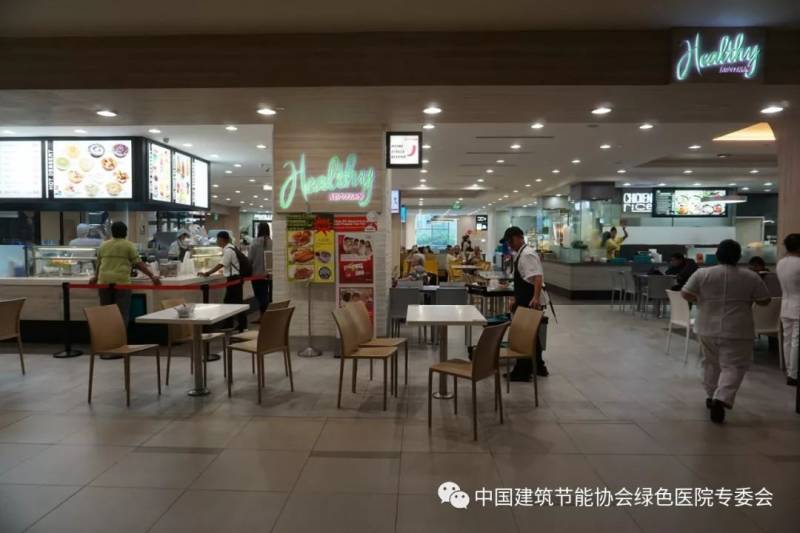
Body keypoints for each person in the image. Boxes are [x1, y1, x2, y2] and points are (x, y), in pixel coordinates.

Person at [682, 239, 770, 423]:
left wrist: (701, 300)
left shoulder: (703, 273)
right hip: (738, 328)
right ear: (739, 256)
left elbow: (686, 293)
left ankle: (711, 394)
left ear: (717, 255)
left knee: (710, 362)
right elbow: (764, 300)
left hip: (706, 326)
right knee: (734, 365)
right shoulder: (750, 276)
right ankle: (722, 398)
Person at [91, 221, 161, 326]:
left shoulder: (103, 245)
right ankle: (120, 335)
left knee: (106, 312)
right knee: (121, 313)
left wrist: (95, 277)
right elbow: (138, 264)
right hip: (121, 283)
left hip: (104, 282)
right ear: (125, 232)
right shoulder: (128, 245)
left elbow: (99, 264)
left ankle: (106, 334)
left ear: (112, 232)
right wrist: (152, 276)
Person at [503, 226, 549, 380]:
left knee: (523, 335)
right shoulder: (521, 253)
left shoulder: (527, 254)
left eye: (510, 241)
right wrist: (515, 298)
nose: (509, 245)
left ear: (519, 237)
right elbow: (523, 279)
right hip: (524, 298)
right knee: (532, 335)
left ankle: (522, 371)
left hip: (530, 300)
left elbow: (537, 277)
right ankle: (539, 367)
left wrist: (535, 298)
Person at [199, 231, 248, 331]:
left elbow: (221, 264)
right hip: (236, 279)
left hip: (234, 279)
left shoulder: (228, 250)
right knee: (231, 302)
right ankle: (232, 324)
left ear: (222, 239)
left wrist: (208, 273)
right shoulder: (232, 247)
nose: (217, 241)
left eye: (217, 239)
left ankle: (240, 325)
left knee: (233, 302)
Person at [777, 233, 800, 386]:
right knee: (796, 341)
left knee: (787, 339)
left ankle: (790, 371)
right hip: (798, 305)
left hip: (785, 305)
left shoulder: (781, 263)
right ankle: (793, 374)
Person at [249, 222, 272, 313]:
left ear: (258, 230)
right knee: (267, 295)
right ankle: (267, 315)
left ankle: (263, 315)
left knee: (259, 296)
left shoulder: (254, 242)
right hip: (270, 274)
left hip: (256, 274)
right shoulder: (272, 242)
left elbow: (250, 259)